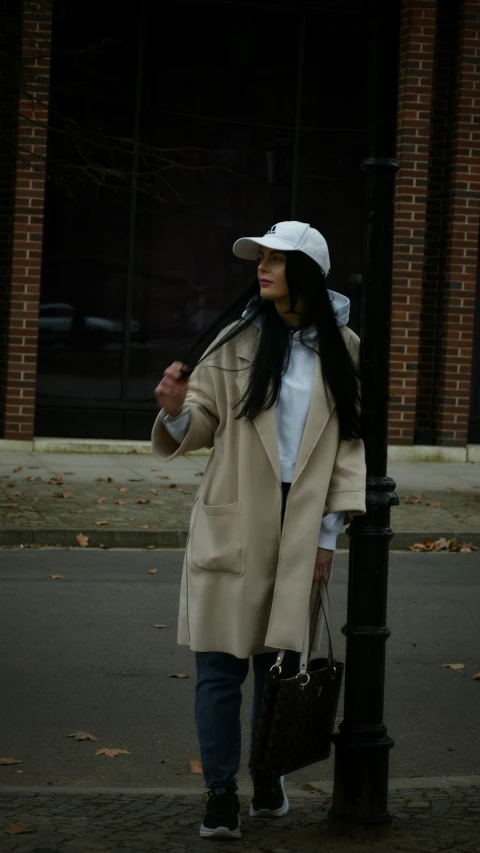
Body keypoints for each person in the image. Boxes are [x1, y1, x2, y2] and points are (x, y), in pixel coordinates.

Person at [152, 221, 366, 840]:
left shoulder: (344, 346)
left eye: (275, 259)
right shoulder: (237, 338)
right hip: (235, 512)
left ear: (306, 273)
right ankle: (221, 795)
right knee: (220, 670)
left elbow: (350, 446)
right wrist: (173, 413)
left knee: (280, 668)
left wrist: (329, 536)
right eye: (259, 259)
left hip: (302, 526)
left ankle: (268, 775)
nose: (261, 268)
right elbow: (202, 424)